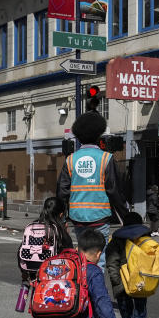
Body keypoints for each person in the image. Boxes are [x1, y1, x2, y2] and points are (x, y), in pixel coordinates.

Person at [56, 111, 128, 269]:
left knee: (82, 257)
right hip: (99, 216)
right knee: (98, 260)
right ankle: (96, 290)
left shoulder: (70, 159)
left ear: (79, 137)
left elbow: (62, 192)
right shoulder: (106, 158)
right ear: (98, 135)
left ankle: (82, 290)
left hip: (77, 217)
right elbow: (114, 191)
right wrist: (126, 217)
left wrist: (60, 218)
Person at [24, 197, 75, 318]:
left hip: (35, 277)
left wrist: (26, 277)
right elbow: (69, 253)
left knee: (44, 310)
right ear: (61, 213)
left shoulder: (33, 226)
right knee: (51, 312)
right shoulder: (58, 230)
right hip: (53, 278)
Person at [106, 212, 153, 318]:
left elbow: (112, 264)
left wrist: (117, 283)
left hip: (122, 285)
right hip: (141, 284)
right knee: (139, 317)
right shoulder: (145, 239)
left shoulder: (116, 240)